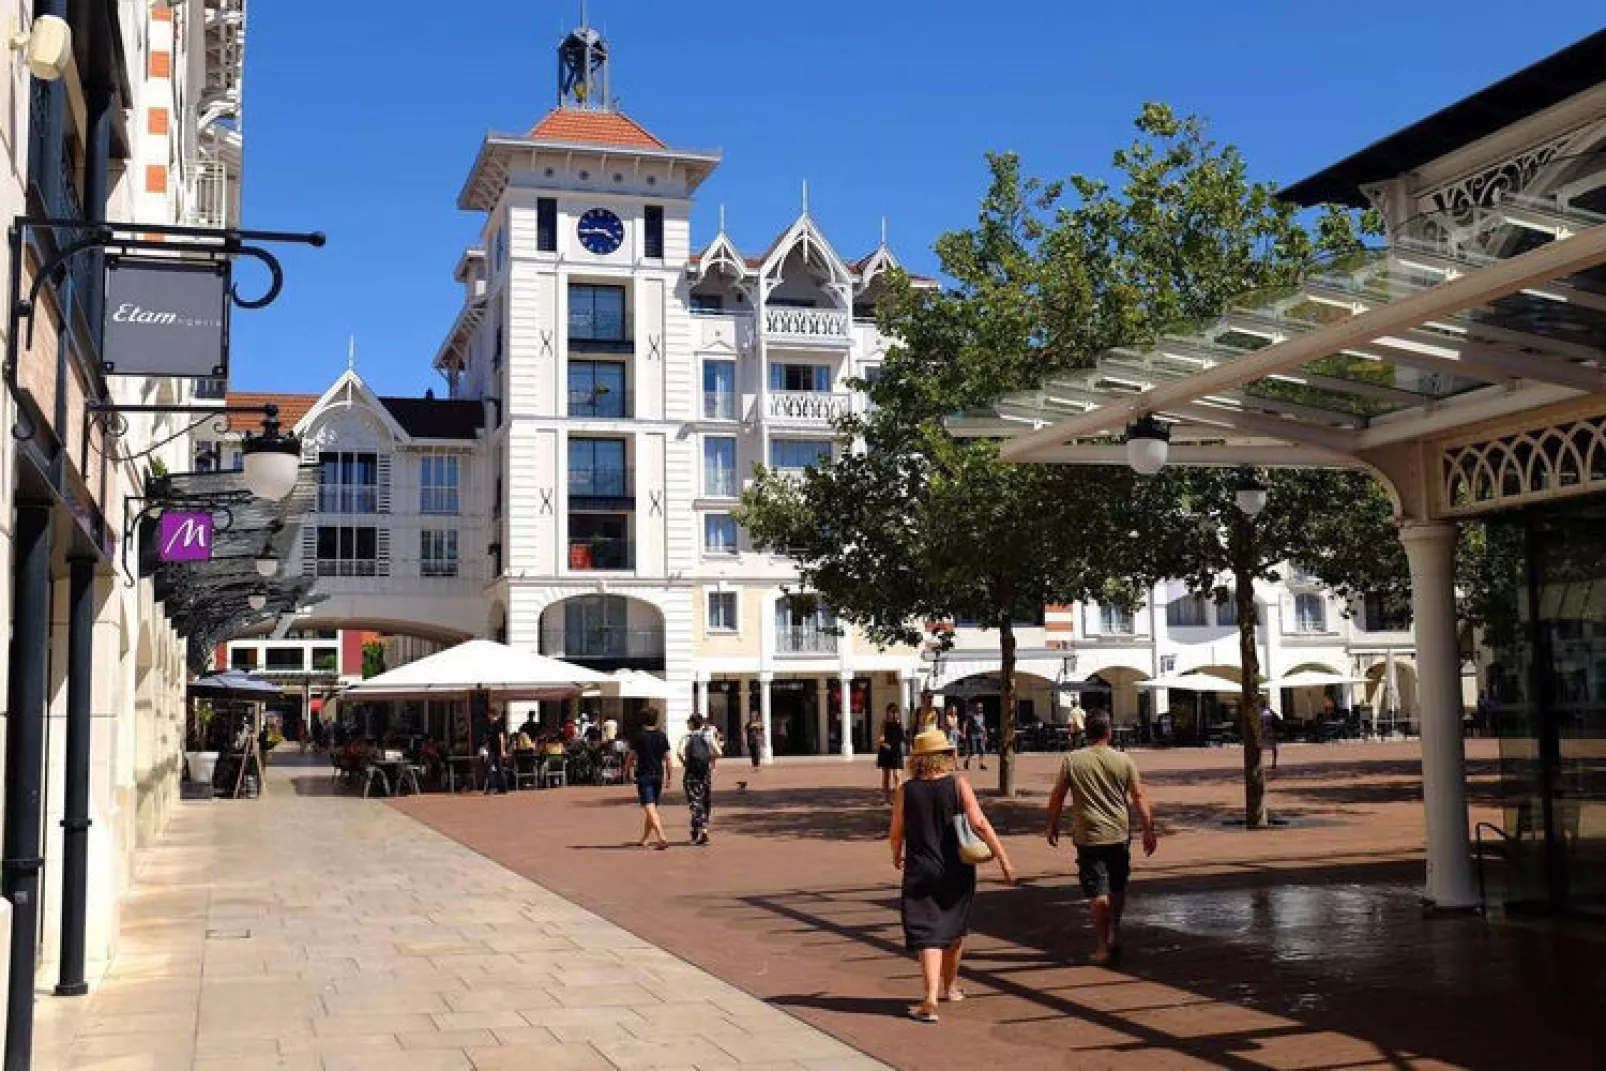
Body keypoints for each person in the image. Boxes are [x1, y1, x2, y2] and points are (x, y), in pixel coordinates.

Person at [890, 728, 1015, 1023]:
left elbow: (896, 832)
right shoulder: (959, 785)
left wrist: (896, 854)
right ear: (944, 757)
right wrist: (1003, 858)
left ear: (917, 760)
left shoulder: (906, 791)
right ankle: (951, 987)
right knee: (954, 929)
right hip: (956, 868)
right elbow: (980, 823)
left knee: (927, 933)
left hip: (920, 868)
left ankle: (930, 997)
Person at [1045, 713, 1156, 966]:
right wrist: (1148, 829)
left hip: (1089, 834)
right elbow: (1138, 795)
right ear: (1109, 732)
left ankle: (1102, 945)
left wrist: (1052, 823)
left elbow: (1058, 796)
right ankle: (1114, 932)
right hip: (1119, 832)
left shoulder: (1073, 760)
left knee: (1097, 891)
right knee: (1117, 886)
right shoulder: (1124, 760)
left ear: (1087, 733)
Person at [625, 707, 673, 849]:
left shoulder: (639, 736)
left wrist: (626, 771)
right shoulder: (662, 736)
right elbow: (668, 758)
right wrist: (669, 777)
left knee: (650, 807)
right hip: (658, 775)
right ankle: (645, 838)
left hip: (644, 775)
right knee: (651, 807)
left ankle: (662, 836)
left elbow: (631, 757)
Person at [679, 714, 717, 845]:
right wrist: (709, 761)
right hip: (705, 774)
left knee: (695, 803)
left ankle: (699, 832)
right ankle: (700, 831)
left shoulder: (687, 737)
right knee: (705, 802)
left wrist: (685, 762)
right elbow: (719, 752)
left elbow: (679, 752)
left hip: (691, 775)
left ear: (691, 724)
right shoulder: (707, 736)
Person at [876, 703, 908, 803]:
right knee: (886, 776)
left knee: (897, 775)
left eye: (896, 711)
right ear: (888, 712)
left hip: (896, 751)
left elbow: (903, 738)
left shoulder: (899, 724)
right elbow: (880, 737)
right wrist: (884, 743)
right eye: (892, 711)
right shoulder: (884, 723)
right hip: (886, 751)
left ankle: (898, 797)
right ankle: (886, 797)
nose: (894, 713)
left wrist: (899, 725)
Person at [481, 708, 509, 794]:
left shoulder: (498, 724)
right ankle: (494, 787)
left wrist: (503, 750)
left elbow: (501, 738)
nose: (488, 716)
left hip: (497, 751)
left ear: (492, 715)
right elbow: (488, 738)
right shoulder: (490, 725)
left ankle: (502, 788)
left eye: (489, 714)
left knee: (499, 769)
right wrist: (486, 747)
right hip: (491, 750)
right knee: (489, 767)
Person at [963, 701, 988, 771]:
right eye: (978, 707)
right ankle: (967, 761)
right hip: (973, 734)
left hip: (980, 734)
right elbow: (965, 723)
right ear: (975, 707)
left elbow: (983, 725)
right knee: (973, 751)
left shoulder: (982, 715)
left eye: (981, 707)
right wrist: (964, 732)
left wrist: (985, 735)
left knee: (982, 750)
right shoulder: (971, 715)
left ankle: (981, 764)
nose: (980, 709)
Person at [1259, 702, 1281, 771]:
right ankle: (1274, 762)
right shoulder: (1270, 712)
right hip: (1271, 731)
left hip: (1264, 731)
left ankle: (1259, 763)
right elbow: (1277, 720)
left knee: (1259, 747)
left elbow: (1260, 723)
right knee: (1273, 747)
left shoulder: (1261, 713)